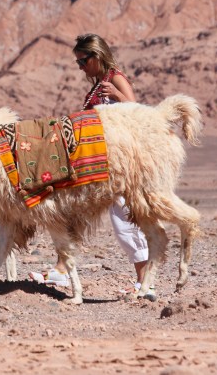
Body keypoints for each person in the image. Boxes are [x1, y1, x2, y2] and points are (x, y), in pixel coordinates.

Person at [73, 33, 152, 300]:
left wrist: (118, 94)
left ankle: (146, 283)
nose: (81, 68)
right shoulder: (98, 83)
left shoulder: (114, 77)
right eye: (78, 63)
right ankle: (62, 267)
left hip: (121, 161)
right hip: (102, 160)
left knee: (126, 218)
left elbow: (139, 112)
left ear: (96, 56)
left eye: (83, 61)